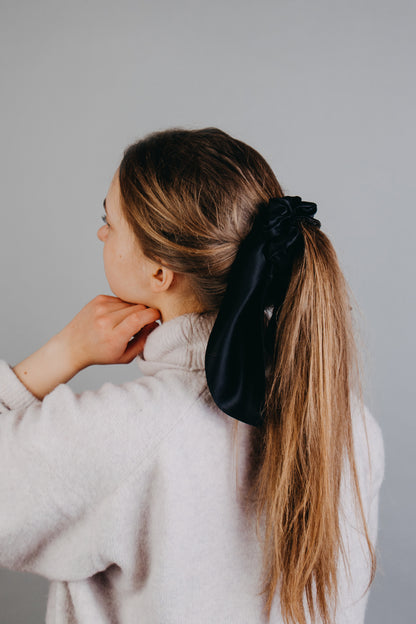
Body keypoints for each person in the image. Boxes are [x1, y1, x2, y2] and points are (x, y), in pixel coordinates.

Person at [0, 127, 384, 624]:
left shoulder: (131, 432)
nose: (101, 233)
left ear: (160, 272)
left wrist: (63, 353)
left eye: (108, 222)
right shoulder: (349, 423)